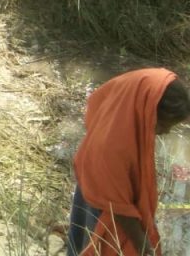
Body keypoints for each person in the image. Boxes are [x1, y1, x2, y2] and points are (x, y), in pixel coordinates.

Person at [67, 68, 190, 256]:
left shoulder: (122, 111)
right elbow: (118, 209)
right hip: (103, 208)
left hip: (92, 189)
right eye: (163, 125)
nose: (164, 132)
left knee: (81, 241)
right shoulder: (114, 147)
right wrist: (145, 248)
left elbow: (95, 103)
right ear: (146, 110)